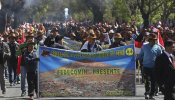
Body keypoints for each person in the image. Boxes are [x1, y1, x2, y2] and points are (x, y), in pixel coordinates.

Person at [138, 33, 162, 99]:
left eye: (155, 40)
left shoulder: (158, 47)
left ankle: (152, 94)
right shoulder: (144, 46)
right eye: (152, 40)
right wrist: (136, 60)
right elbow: (140, 55)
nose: (154, 41)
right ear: (149, 40)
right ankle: (147, 93)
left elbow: (160, 57)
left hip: (154, 68)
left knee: (154, 81)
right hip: (146, 67)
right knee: (147, 81)